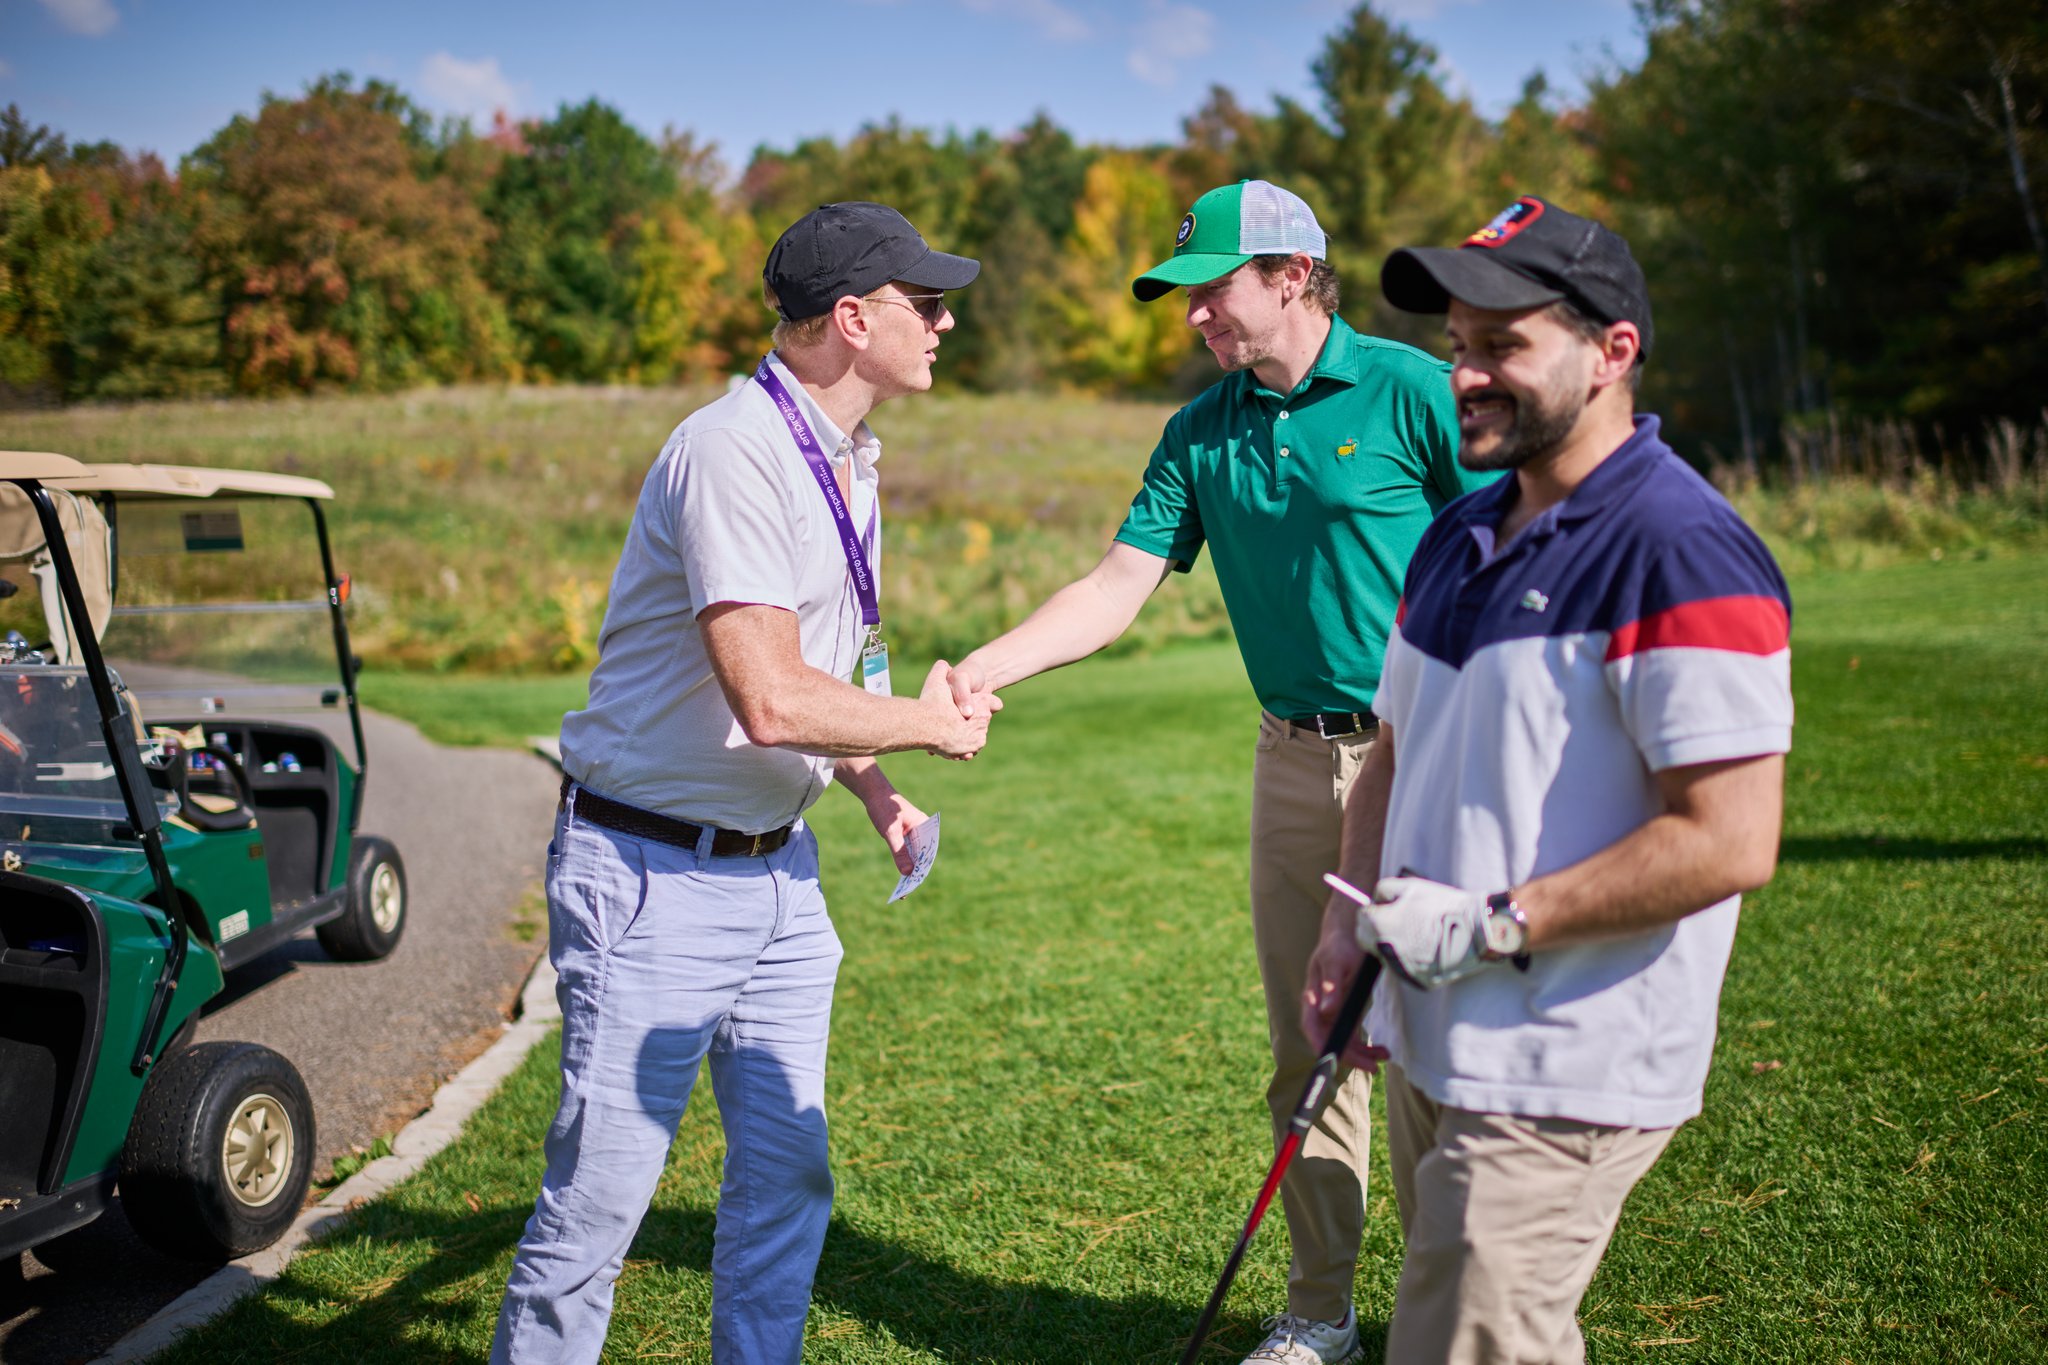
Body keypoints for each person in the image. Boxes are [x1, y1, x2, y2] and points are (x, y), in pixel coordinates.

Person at [947, 179, 1493, 1365]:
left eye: (1211, 290)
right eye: (1186, 297)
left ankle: (1452, 1318)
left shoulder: (1410, 391)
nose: (1194, 316)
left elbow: (1510, 556)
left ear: (1292, 276)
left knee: (1435, 1056)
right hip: (1291, 764)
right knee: (1309, 1048)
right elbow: (1110, 589)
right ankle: (1318, 1312)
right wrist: (982, 666)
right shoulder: (1200, 429)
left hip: (1432, 755)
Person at [492, 201, 998, 1365]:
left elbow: (828, 659)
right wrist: (927, 728)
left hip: (780, 879)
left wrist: (876, 790)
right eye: (927, 304)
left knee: (786, 1179)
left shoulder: (846, 457)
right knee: (599, 1208)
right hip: (652, 875)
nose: (947, 321)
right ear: (853, 319)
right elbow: (769, 696)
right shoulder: (731, 451)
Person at [1300, 196, 1793, 1364]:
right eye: (1459, 348)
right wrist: (1345, 927)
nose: (1465, 376)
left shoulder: (1679, 546)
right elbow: (1394, 744)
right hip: (1432, 1035)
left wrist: (1489, 923)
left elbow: (1728, 839)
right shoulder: (1454, 533)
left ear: (1612, 351)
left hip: (1562, 1064)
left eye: (1502, 346)